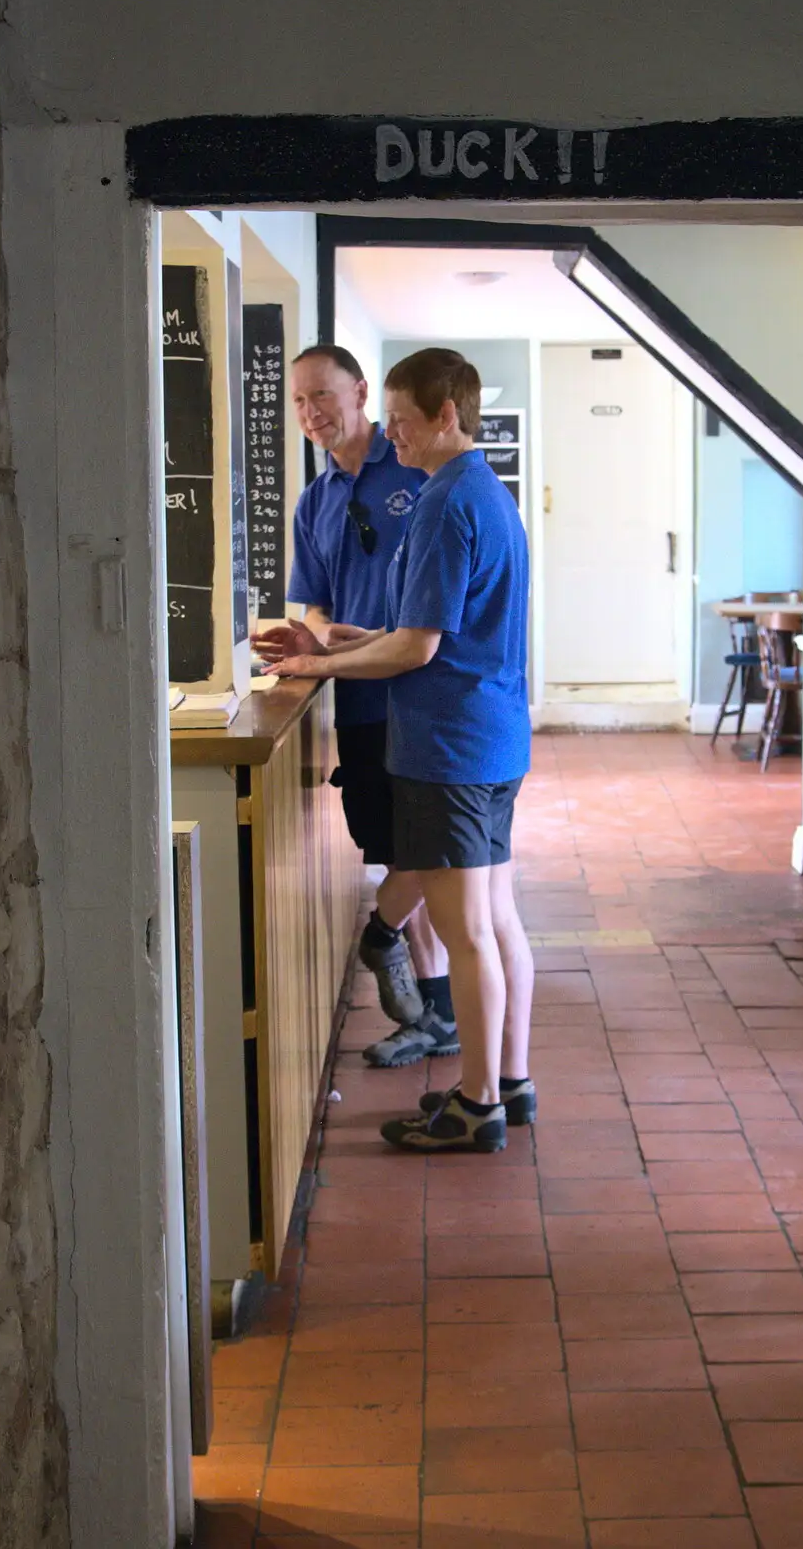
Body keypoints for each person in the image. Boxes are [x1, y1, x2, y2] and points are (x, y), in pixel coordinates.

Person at [263, 348, 536, 1154]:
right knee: (497, 922)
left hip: (450, 745)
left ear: (447, 414)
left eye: (405, 422)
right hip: (489, 733)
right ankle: (510, 1083)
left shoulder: (447, 502)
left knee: (468, 935)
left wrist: (319, 661)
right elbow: (427, 630)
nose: (395, 437)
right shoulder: (483, 490)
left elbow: (419, 650)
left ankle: (477, 1104)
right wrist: (352, 639)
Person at [252, 344, 458, 1070]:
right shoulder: (315, 501)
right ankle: (439, 1012)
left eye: (322, 395)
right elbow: (318, 601)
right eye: (300, 401)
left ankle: (424, 989)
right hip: (363, 707)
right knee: (402, 855)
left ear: (361, 391)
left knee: (429, 856)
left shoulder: (417, 467)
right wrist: (308, 633)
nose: (312, 412)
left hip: (425, 700)